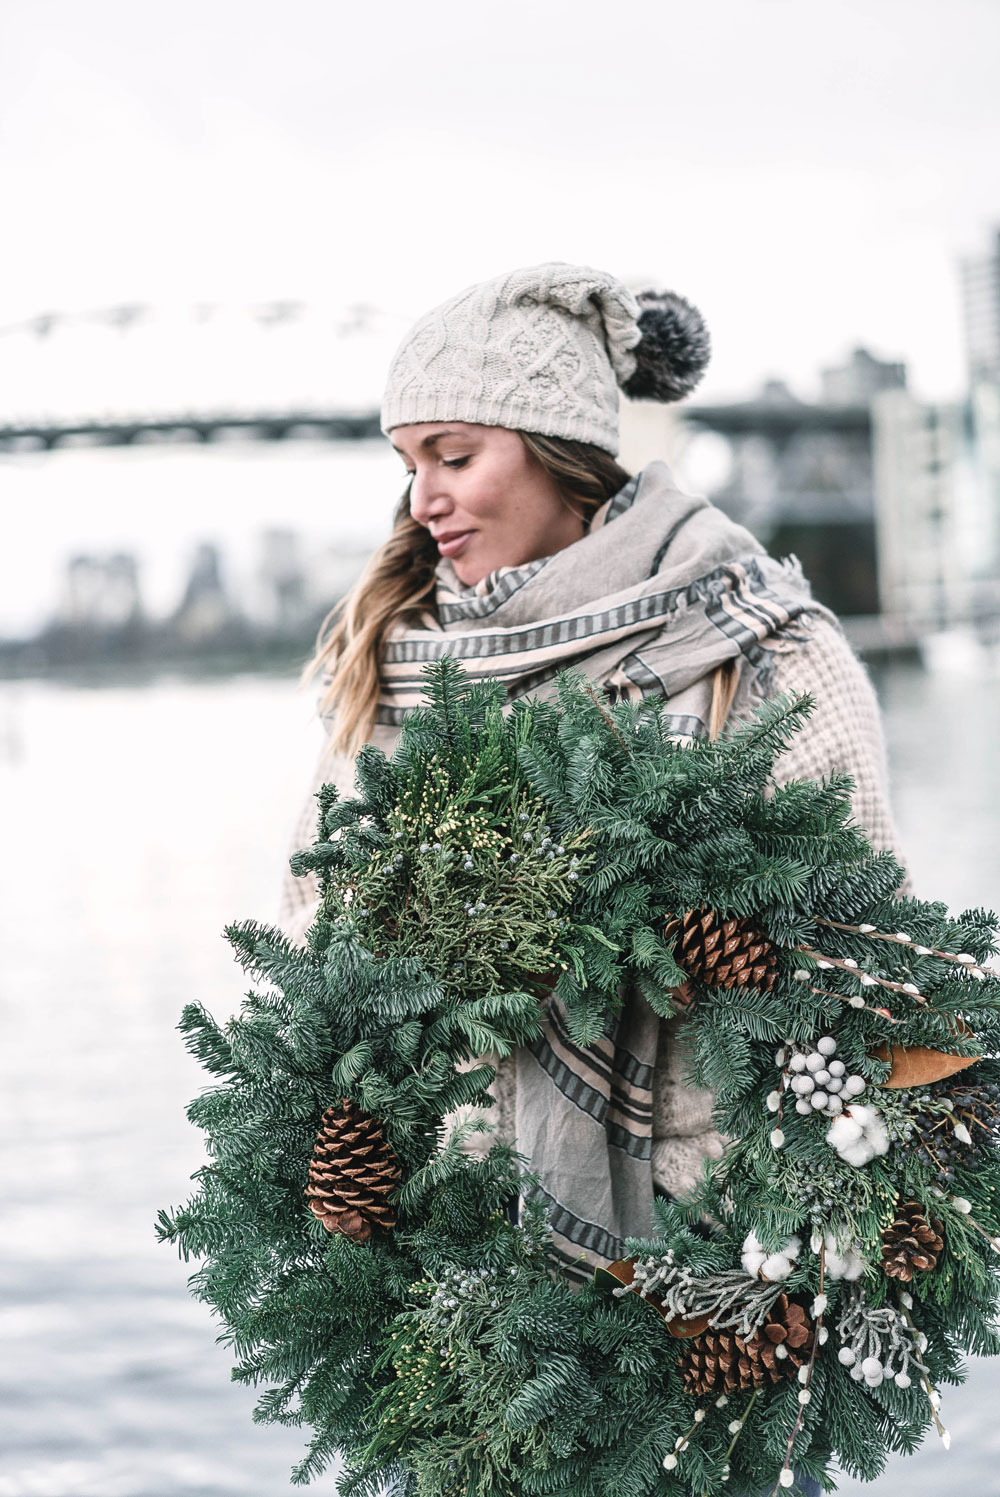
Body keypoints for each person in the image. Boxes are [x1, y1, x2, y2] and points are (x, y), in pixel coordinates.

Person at [278, 263, 902, 1495]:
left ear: (561, 451)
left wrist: (666, 927)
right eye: (407, 462)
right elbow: (316, 933)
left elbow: (854, 961)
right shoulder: (401, 668)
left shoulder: (759, 651)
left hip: (701, 1269)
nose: (423, 500)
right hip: (457, 1266)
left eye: (454, 453)